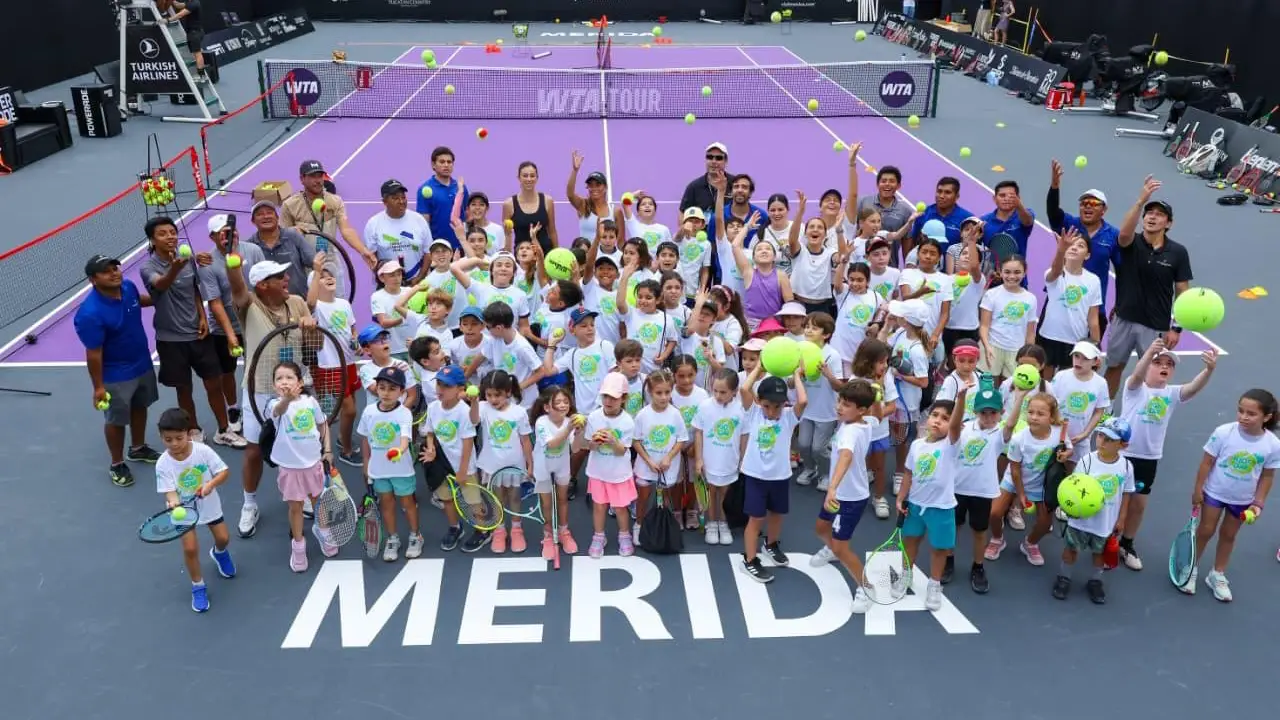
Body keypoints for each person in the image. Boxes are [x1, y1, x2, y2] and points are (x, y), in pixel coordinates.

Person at [224, 257, 317, 539]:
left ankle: (305, 495)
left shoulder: (298, 302)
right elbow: (237, 286)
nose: (287, 278)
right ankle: (249, 504)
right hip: (261, 390)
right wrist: (231, 258)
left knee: (302, 442)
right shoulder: (249, 304)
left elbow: (316, 346)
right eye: (280, 276)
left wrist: (311, 329)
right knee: (254, 450)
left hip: (297, 390)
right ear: (263, 285)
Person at [1115, 338, 1216, 571]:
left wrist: (1208, 370)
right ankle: (1104, 537)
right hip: (1123, 453)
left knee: (1138, 504)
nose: (1164, 366)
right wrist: (1150, 351)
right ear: (1147, 365)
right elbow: (1137, 375)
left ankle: (1126, 544)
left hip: (1149, 458)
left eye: (1169, 364)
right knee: (1114, 498)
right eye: (1158, 362)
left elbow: (1193, 388)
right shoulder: (1135, 388)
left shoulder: (1171, 393)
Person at [141, 216, 241, 447]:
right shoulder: (148, 268)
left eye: (172, 232)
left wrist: (203, 316)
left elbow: (195, 290)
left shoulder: (188, 260)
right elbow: (161, 285)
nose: (170, 237)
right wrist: (174, 269)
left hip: (199, 334)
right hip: (171, 339)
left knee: (213, 384)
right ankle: (193, 428)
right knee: (184, 388)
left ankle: (224, 430)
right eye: (162, 234)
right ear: (152, 240)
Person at [74, 254, 162, 487]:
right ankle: (117, 463)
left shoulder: (128, 287)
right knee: (116, 419)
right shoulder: (90, 313)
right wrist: (98, 387)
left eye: (115, 268)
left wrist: (164, 297)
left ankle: (138, 448)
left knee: (140, 406)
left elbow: (139, 300)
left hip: (142, 363)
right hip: (116, 374)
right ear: (93, 279)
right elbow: (94, 354)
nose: (114, 273)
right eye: (106, 271)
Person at [1104, 176, 1193, 399]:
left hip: (1155, 327)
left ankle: (1144, 413)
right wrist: (1140, 201)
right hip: (1124, 319)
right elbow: (1124, 234)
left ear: (1169, 224)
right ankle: (1104, 410)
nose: (1152, 217)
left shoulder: (1178, 252)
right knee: (1114, 367)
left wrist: (1176, 328)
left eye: (1160, 214)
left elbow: (1183, 293)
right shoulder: (1130, 243)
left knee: (1151, 374)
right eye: (1149, 213)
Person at [1190, 390, 1280, 601]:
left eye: (1251, 413)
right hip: (1214, 492)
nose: (1243, 417)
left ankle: (1217, 574)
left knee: (1229, 535)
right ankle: (1190, 567)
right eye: (1241, 411)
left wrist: (1258, 502)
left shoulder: (1273, 445)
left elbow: (1267, 476)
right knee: (1205, 530)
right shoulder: (1224, 432)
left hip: (1242, 500)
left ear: (1266, 417)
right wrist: (1197, 489)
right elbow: (1206, 463)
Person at [153, 407, 236, 613]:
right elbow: (170, 492)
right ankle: (198, 586)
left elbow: (224, 472)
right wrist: (174, 502)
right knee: (190, 549)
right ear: (161, 437)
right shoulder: (163, 464)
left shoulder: (203, 451)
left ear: (188, 434)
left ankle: (219, 553)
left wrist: (210, 485)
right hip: (184, 511)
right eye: (168, 439)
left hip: (209, 504)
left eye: (178, 438)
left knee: (223, 538)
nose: (174, 444)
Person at [809, 380, 877, 613]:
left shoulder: (850, 431)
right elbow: (876, 416)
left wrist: (832, 488)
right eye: (840, 401)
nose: (839, 407)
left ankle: (867, 587)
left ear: (861, 410)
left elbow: (846, 457)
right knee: (821, 528)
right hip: (840, 494)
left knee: (842, 547)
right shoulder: (864, 422)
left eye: (846, 405)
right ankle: (832, 549)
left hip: (849, 499)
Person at [738, 367, 808, 583]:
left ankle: (770, 544)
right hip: (755, 477)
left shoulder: (788, 417)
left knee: (777, 513)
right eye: (767, 406)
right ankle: (749, 560)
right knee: (756, 518)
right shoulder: (753, 413)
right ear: (759, 401)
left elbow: (803, 401)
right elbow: (744, 389)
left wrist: (796, 375)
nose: (771, 411)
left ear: (784, 404)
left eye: (777, 406)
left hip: (780, 477)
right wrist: (759, 368)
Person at [1055, 417, 1135, 604]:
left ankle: (1095, 581)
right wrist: (1070, 509)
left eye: (1109, 439)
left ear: (1123, 445)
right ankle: (1064, 577)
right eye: (1100, 436)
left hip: (1104, 523)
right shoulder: (1087, 461)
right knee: (1071, 549)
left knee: (1099, 554)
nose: (1102, 442)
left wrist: (1121, 519)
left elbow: (1126, 493)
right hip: (1080, 520)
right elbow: (1074, 487)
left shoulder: (1126, 467)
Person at [265, 361, 334, 572]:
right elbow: (279, 409)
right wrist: (286, 399)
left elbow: (322, 424)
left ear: (300, 382)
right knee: (295, 508)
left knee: (318, 503)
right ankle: (298, 546)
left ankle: (323, 532)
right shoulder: (273, 405)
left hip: (313, 464)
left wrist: (328, 450)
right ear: (274, 385)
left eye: (289, 377)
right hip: (289, 469)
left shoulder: (310, 402)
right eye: (279, 378)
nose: (284, 382)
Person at [1046, 161, 1120, 340]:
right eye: (1084, 203)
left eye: (1094, 203)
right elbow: (1053, 211)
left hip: (1093, 306)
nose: (1088, 206)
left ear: (1104, 209)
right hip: (1061, 301)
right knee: (1049, 352)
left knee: (1088, 351)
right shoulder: (1070, 224)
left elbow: (1122, 271)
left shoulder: (1113, 235)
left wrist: (1120, 304)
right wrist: (1055, 186)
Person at [279, 160, 378, 269]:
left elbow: (346, 230)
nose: (318, 180)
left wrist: (363, 250)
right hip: (303, 265)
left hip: (331, 262)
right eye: (313, 176)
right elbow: (281, 236)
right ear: (302, 179)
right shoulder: (290, 205)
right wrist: (292, 231)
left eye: (320, 176)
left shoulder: (335, 201)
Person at [1037, 228, 1102, 377]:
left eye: (1080, 245)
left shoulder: (1093, 281)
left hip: (1076, 340)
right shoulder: (1054, 274)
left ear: (1087, 255)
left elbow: (1093, 319)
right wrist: (1060, 250)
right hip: (1049, 336)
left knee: (1068, 381)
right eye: (1071, 245)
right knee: (1045, 382)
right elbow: (1056, 270)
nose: (1074, 247)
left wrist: (1096, 347)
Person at [848, 143, 915, 257]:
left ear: (898, 185)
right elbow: (850, 229)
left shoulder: (905, 211)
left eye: (891, 181)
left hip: (889, 265)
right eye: (883, 181)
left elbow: (906, 244)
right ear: (877, 184)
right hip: (861, 265)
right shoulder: (863, 202)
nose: (887, 184)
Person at [244, 201, 320, 297]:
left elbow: (314, 262)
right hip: (267, 303)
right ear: (253, 221)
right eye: (260, 214)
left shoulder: (293, 235)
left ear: (277, 217)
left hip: (299, 300)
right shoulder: (250, 245)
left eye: (269, 213)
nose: (266, 216)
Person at [364, 179, 433, 283]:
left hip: (417, 282)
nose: (401, 201)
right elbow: (371, 257)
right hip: (388, 284)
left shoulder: (419, 220)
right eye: (395, 198)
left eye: (403, 197)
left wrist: (419, 277)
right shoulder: (373, 224)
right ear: (384, 202)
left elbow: (428, 252)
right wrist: (387, 280)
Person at [415, 147, 468, 251]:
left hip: (460, 246)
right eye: (442, 162)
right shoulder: (425, 189)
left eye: (449, 162)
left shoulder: (461, 187)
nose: (446, 165)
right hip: (438, 248)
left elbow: (466, 214)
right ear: (433, 165)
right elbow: (424, 222)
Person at [909, 177, 974, 258]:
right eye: (939, 191)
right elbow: (913, 241)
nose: (941, 196)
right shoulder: (923, 214)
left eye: (947, 192)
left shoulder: (967, 219)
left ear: (957, 196)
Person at [503, 161, 557, 253]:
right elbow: (506, 235)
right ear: (519, 178)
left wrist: (557, 253)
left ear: (537, 178)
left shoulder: (548, 201)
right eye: (525, 176)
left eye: (532, 176)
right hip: (522, 255)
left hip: (546, 253)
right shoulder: (508, 204)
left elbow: (552, 231)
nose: (529, 179)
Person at [980, 180, 1037, 267]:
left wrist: (1019, 205)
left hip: (1016, 273)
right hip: (991, 273)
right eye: (1002, 195)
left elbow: (1028, 222)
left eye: (1011, 196)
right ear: (994, 199)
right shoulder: (983, 221)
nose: (1006, 199)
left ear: (1018, 198)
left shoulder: (1025, 215)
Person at [565, 151, 612, 240]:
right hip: (586, 249)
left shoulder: (615, 212)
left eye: (598, 185)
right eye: (591, 185)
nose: (594, 188)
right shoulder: (583, 205)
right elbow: (570, 194)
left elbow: (620, 240)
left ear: (605, 187)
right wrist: (575, 171)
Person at [161, 1, 208, 83]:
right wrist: (172, 1)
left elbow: (180, 15)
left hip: (195, 33)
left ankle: (202, 76)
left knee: (197, 54)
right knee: (197, 54)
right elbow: (178, 5)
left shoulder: (194, 3)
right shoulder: (190, 2)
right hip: (195, 32)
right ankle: (201, 75)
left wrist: (168, 20)